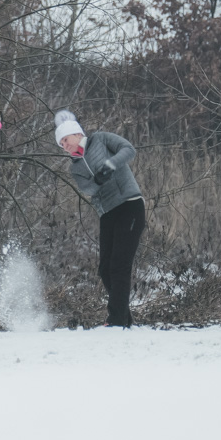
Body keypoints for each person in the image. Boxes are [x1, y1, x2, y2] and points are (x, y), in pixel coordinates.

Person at [54, 109, 146, 327]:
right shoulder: (75, 167)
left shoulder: (101, 139)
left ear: (77, 134)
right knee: (105, 269)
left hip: (129, 205)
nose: (64, 146)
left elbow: (128, 150)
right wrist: (97, 180)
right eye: (61, 144)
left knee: (119, 265)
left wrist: (110, 165)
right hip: (107, 213)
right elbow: (87, 188)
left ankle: (116, 320)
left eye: (65, 140)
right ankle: (124, 319)